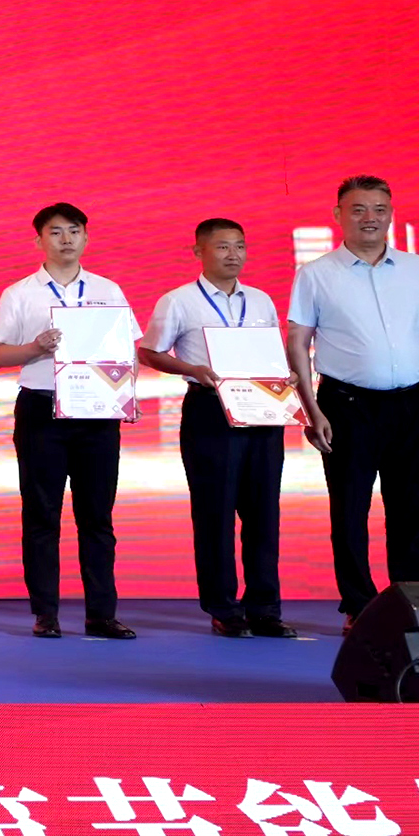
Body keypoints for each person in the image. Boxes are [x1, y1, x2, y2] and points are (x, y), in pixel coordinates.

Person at [288, 175, 419, 624]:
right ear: (338, 215)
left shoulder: (418, 268)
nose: (370, 218)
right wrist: (311, 409)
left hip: (415, 403)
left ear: (390, 214)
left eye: (380, 209)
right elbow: (298, 344)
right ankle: (359, 607)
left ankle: (410, 601)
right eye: (359, 209)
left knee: (415, 507)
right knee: (350, 509)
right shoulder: (316, 274)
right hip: (347, 406)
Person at [137, 217, 292, 638]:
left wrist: (285, 376)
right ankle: (224, 608)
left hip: (262, 409)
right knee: (215, 512)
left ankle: (265, 609)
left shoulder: (260, 300)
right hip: (210, 408)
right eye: (223, 246)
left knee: (264, 513)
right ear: (198, 251)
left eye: (240, 246)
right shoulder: (179, 301)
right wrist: (191, 369)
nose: (233, 255)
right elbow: (149, 352)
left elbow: (271, 352)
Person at [0, 203, 135, 640]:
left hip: (96, 413)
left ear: (86, 237)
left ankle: (101, 615)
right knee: (42, 515)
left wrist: (126, 396)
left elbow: (127, 351)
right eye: (56, 232)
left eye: (74, 231)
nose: (66, 239)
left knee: (97, 517)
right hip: (42, 409)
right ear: (39, 240)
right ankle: (45, 614)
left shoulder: (108, 290)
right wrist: (35, 347)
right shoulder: (20, 293)